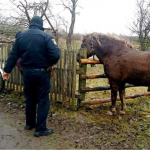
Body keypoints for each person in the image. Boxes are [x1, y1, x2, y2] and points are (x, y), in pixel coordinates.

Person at [3, 16, 60, 137]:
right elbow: (56, 55)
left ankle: (30, 124)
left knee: (30, 98)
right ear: (41, 25)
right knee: (43, 100)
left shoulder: (21, 37)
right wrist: (48, 63)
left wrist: (7, 71)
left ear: (31, 24)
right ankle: (40, 129)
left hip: (27, 72)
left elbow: (13, 55)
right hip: (41, 72)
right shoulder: (47, 37)